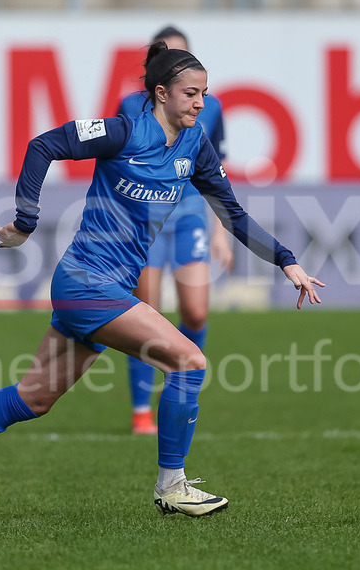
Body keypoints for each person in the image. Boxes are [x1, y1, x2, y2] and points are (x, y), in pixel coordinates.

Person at [0, 42, 323, 518]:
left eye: (204, 94)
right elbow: (43, 146)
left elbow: (232, 213)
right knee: (189, 362)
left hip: (101, 288)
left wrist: (285, 260)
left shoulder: (195, 146)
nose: (201, 103)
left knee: (33, 398)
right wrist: (26, 222)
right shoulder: (122, 131)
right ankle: (172, 486)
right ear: (161, 94)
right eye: (191, 94)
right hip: (86, 283)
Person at [117, 25, 233, 435]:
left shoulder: (210, 107)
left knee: (196, 311)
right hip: (146, 223)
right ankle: (140, 410)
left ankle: (184, 393)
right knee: (145, 314)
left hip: (187, 218)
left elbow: (216, 170)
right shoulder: (130, 106)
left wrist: (220, 229)